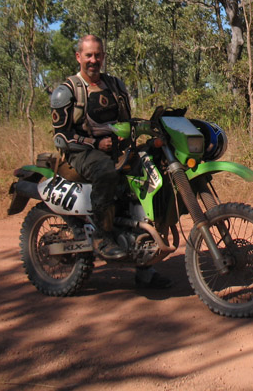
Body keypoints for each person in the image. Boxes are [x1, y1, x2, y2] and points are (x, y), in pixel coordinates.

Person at [50, 34, 171, 289]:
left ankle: (145, 265)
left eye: (98, 55)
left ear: (103, 56)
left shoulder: (115, 85)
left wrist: (151, 128)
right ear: (78, 57)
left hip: (117, 149)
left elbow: (125, 120)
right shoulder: (67, 91)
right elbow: (61, 137)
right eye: (89, 55)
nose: (94, 60)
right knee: (106, 172)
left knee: (153, 176)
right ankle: (103, 237)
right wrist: (95, 144)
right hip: (81, 152)